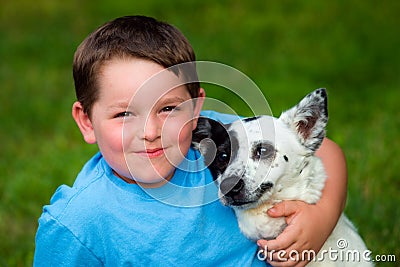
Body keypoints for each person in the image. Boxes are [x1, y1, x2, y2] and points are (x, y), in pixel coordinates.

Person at [34, 15, 347, 267]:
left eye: (168, 109)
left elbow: (324, 149)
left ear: (195, 110)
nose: (150, 131)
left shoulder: (214, 139)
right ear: (87, 122)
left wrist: (322, 218)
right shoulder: (78, 225)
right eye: (124, 114)